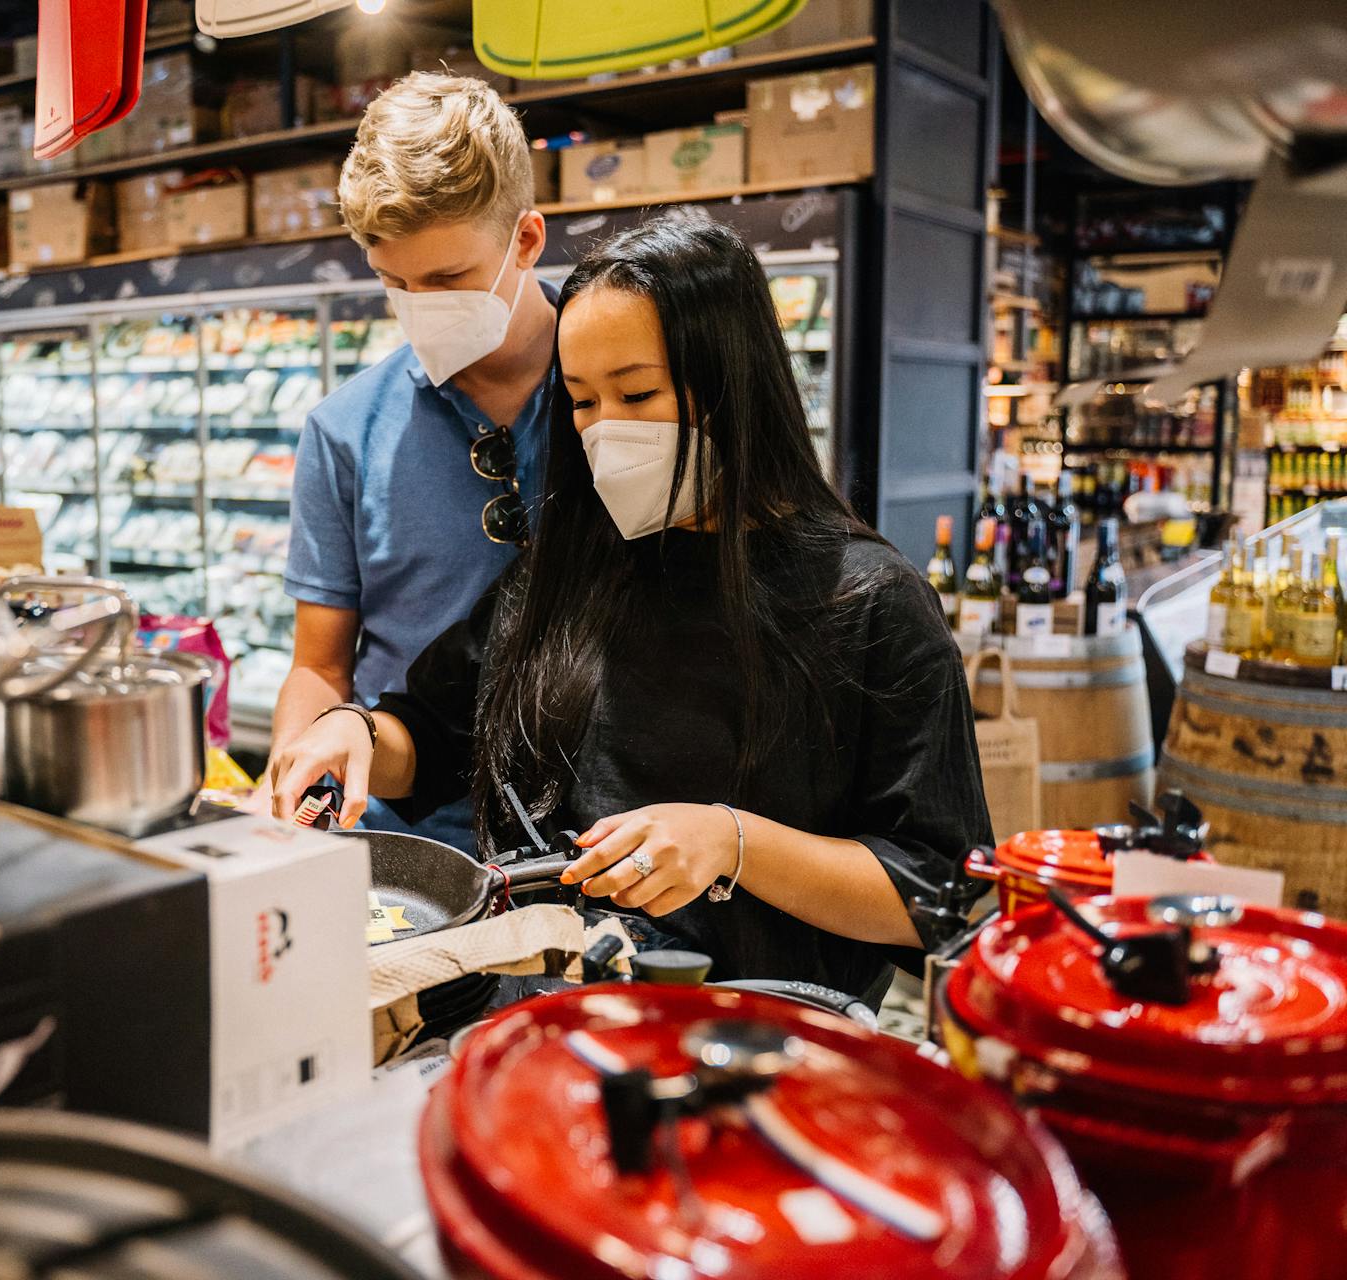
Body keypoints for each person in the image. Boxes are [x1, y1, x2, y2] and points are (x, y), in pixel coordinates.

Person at [270, 213, 991, 1000]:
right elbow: (433, 732)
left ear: (732, 382)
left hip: (754, 1046)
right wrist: (355, 730)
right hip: (548, 1018)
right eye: (581, 402)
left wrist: (733, 842)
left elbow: (936, 892)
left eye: (637, 392)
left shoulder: (869, 604)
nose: (606, 430)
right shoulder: (569, 570)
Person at [266, 72, 559, 849]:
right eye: (395, 283)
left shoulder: (628, 390)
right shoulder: (343, 432)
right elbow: (320, 667)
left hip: (602, 838)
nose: (420, 305)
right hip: (412, 845)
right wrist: (301, 770)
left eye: (448, 280)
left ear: (525, 240)